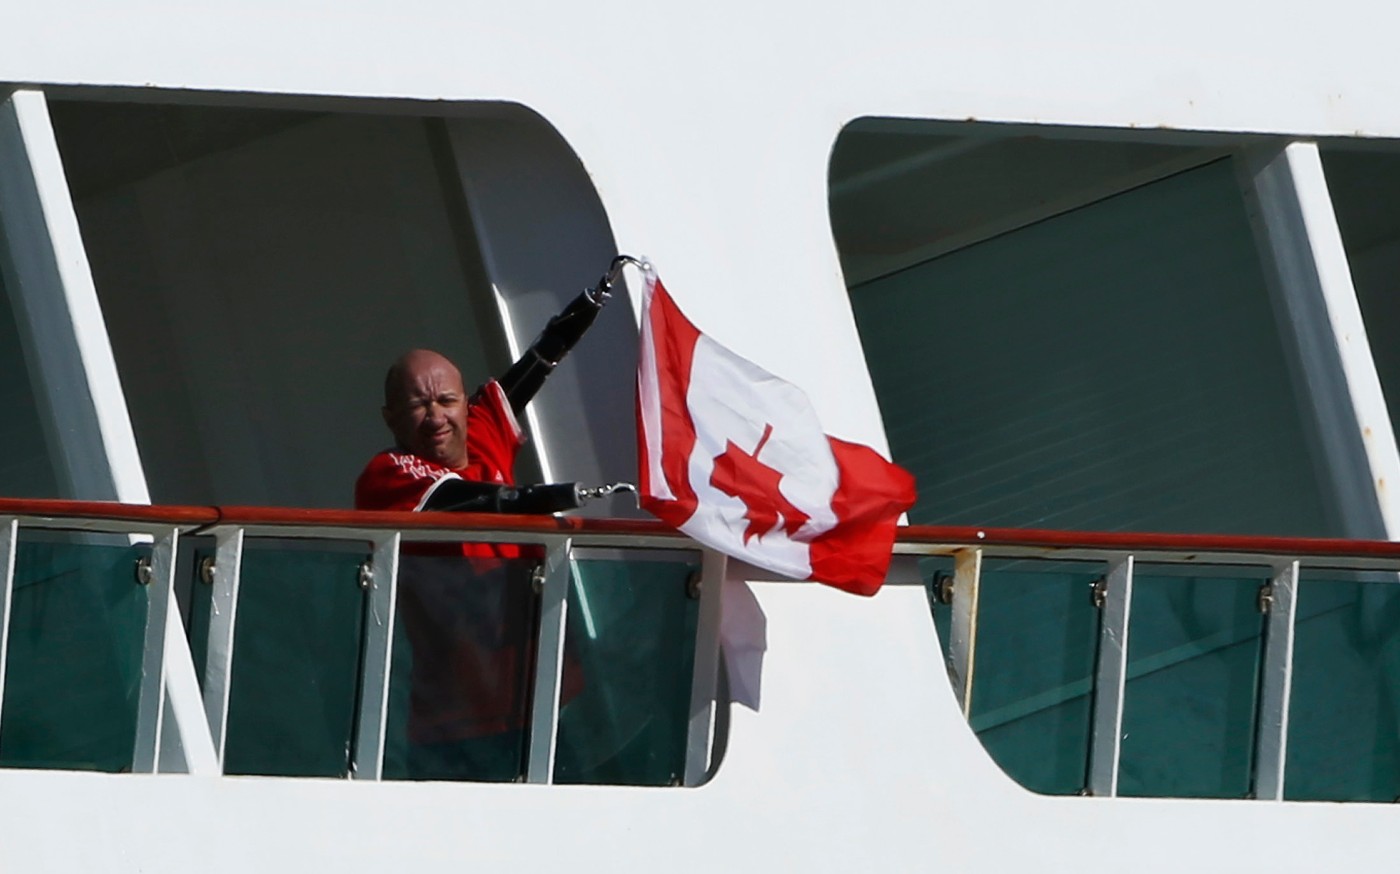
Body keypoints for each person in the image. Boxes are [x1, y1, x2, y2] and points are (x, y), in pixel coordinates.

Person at [354, 266, 631, 781]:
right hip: (459, 725)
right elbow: (474, 502)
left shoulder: (483, 430)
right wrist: (566, 495)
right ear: (390, 417)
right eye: (417, 405)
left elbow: (536, 364)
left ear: (465, 403)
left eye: (445, 400)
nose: (435, 416)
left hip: (549, 694)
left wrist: (590, 304)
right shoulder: (387, 474)